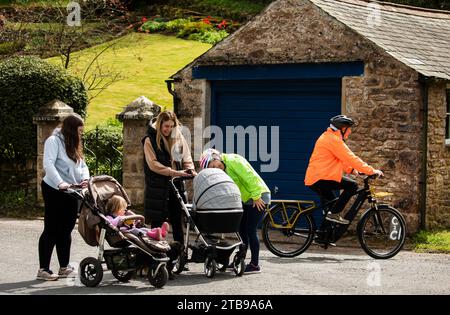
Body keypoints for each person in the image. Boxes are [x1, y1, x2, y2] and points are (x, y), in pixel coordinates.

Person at [200, 148, 270, 274]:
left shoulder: (233, 160)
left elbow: (249, 176)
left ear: (216, 157)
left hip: (258, 196)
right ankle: (240, 260)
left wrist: (256, 196)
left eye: (215, 165)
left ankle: (255, 264)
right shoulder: (222, 171)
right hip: (247, 199)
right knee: (241, 229)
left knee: (250, 229)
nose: (216, 169)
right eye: (212, 168)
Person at [305, 115, 384, 225]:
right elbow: (351, 158)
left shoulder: (328, 137)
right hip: (320, 178)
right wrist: (371, 171)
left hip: (317, 178)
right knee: (352, 186)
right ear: (342, 128)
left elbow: (340, 160)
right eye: (349, 128)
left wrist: (353, 170)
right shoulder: (333, 140)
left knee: (332, 207)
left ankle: (323, 237)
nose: (350, 131)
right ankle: (333, 215)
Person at [37, 114, 89, 281]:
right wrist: (60, 183)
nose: (81, 135)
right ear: (71, 130)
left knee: (66, 230)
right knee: (52, 228)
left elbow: (82, 164)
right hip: (54, 189)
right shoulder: (53, 141)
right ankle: (43, 269)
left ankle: (64, 267)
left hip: (71, 191)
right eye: (79, 131)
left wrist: (85, 179)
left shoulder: (73, 144)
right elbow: (48, 164)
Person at [142, 111, 196, 246]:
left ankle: (180, 256)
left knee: (177, 221)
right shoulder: (149, 140)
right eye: (166, 126)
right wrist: (173, 172)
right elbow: (153, 164)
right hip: (158, 187)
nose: (169, 129)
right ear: (160, 124)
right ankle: (155, 255)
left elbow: (186, 155)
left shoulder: (178, 136)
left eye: (172, 126)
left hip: (176, 185)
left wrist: (190, 169)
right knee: (157, 223)